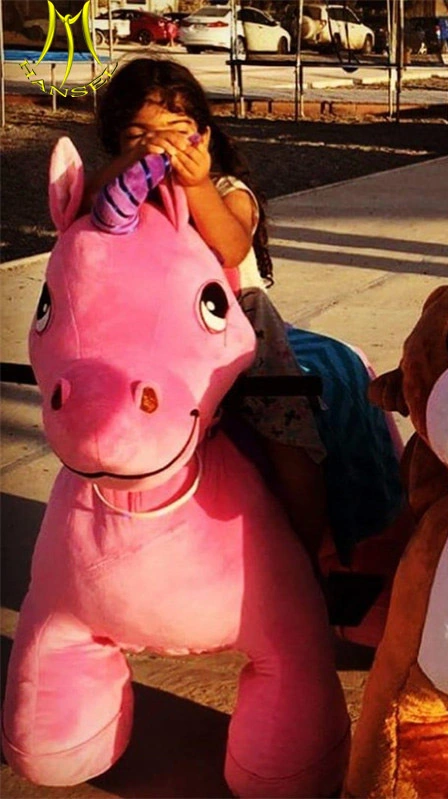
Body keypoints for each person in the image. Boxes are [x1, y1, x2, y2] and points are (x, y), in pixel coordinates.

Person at [83, 58, 329, 562]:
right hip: (155, 333)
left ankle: (307, 559)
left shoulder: (223, 190)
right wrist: (127, 167)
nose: (161, 144)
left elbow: (231, 247)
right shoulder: (122, 195)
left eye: (177, 130)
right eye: (139, 134)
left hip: (236, 321)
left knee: (288, 436)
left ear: (204, 135)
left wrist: (194, 187)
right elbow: (77, 210)